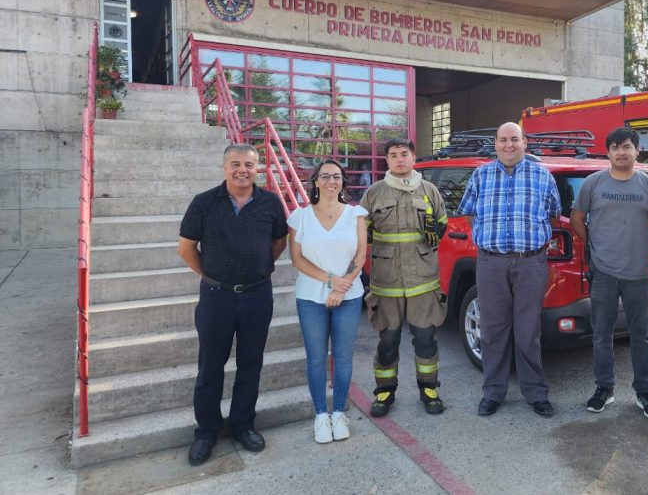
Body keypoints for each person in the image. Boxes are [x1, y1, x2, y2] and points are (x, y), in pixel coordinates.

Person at [178, 144, 288, 465]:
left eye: (249, 165)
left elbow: (279, 240)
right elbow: (186, 248)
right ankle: (207, 431)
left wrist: (261, 267)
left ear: (258, 169)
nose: (243, 170)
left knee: (250, 364)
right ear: (224, 167)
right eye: (235, 164)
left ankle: (243, 424)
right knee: (210, 367)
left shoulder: (270, 202)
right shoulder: (204, 203)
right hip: (217, 298)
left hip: (257, 296)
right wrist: (210, 276)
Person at [456, 122, 561, 417]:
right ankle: (493, 393)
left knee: (528, 331)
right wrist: (488, 241)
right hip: (491, 263)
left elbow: (553, 215)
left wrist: (529, 243)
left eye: (514, 139)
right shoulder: (481, 175)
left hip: (530, 262)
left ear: (524, 142)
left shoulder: (542, 175)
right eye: (503, 140)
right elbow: (468, 214)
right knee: (493, 330)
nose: (509, 145)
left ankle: (535, 393)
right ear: (496, 143)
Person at [570, 127, 648, 420]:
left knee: (641, 335)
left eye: (626, 146)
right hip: (604, 273)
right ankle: (604, 389)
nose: (621, 152)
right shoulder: (592, 183)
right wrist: (597, 246)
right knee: (601, 334)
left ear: (637, 150)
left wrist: (636, 247)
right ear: (608, 152)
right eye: (615, 147)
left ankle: (644, 391)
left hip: (639, 273)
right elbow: (577, 219)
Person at [360, 139, 448, 417]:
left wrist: (436, 232)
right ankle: (384, 392)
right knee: (388, 340)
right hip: (386, 282)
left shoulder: (429, 190)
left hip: (423, 279)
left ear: (413, 158)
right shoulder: (374, 193)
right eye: (394, 155)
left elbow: (442, 224)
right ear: (386, 160)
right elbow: (362, 232)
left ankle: (429, 389)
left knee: (425, 339)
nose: (399, 159)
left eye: (404, 154)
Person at [288, 159, 367, 444]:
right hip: (310, 297)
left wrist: (341, 288)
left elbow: (360, 256)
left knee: (343, 357)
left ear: (343, 182)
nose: (331, 181)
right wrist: (330, 281)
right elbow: (297, 259)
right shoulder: (300, 216)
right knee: (316, 358)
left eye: (337, 176)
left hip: (349, 297)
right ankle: (321, 415)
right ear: (316, 182)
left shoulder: (356, 213)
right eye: (326, 176)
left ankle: (338, 412)